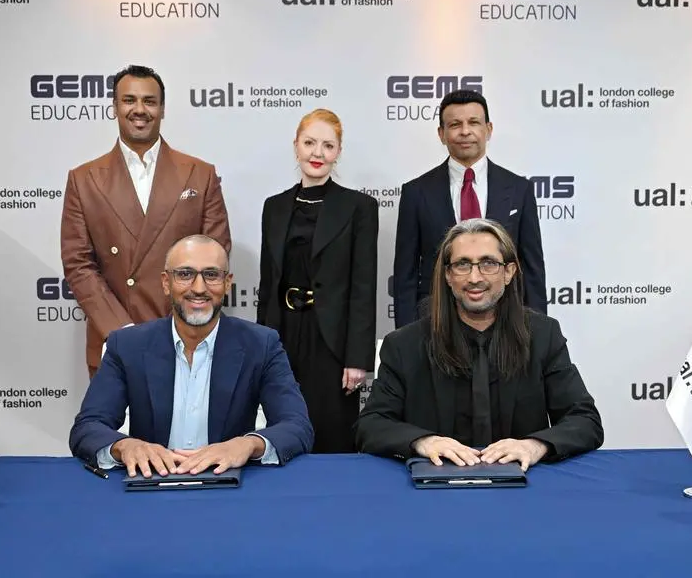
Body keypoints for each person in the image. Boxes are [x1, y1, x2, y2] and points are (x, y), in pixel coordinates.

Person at [357, 219, 602, 471]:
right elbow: (371, 425)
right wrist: (423, 442)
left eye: (488, 264)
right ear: (448, 275)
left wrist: (534, 446)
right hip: (434, 485)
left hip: (524, 484)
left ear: (509, 272)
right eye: (462, 264)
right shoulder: (404, 344)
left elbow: (585, 420)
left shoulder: (543, 335)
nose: (474, 277)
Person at [69, 235, 313, 476]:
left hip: (228, 485)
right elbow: (88, 427)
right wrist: (125, 446)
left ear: (227, 283)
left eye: (211, 275)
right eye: (185, 274)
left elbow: (297, 425)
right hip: (151, 484)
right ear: (166, 282)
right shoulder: (127, 345)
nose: (198, 288)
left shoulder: (261, 344)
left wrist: (247, 444)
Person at [61, 64, 231, 378]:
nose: (139, 110)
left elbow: (214, 258)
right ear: (114, 107)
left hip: (186, 343)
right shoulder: (83, 180)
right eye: (129, 100)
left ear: (162, 109)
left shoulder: (201, 174)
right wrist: (123, 333)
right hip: (113, 343)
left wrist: (176, 330)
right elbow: (78, 264)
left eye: (149, 101)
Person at [256, 109, 378, 453]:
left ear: (338, 151)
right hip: (282, 334)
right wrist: (260, 348)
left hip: (332, 342)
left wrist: (358, 358)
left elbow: (364, 287)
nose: (317, 153)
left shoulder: (359, 207)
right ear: (296, 145)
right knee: (282, 430)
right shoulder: (274, 207)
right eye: (310, 143)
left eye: (328, 145)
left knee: (331, 433)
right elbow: (268, 283)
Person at [392, 89, 546, 328]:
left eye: (473, 122)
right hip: (436, 322)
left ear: (488, 129)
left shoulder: (519, 189)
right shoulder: (416, 192)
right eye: (455, 124)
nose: (465, 131)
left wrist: (538, 334)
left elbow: (532, 271)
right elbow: (405, 275)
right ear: (441, 134)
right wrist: (405, 337)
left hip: (506, 322)